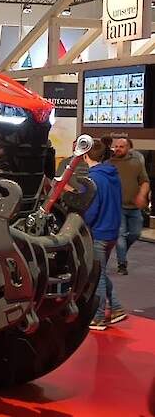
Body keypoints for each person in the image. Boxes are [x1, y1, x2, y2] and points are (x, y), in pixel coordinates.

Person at [82, 140, 127, 331]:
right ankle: (116, 308)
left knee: (97, 276)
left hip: (98, 232)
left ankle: (98, 317)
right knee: (100, 272)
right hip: (112, 231)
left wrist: (82, 223)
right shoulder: (113, 175)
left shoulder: (92, 179)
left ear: (85, 155)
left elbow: (91, 209)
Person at [110, 137, 150, 275]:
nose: (118, 149)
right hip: (117, 206)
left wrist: (142, 195)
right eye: (116, 146)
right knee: (120, 236)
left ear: (128, 148)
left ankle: (121, 252)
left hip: (134, 207)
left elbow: (145, 182)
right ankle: (122, 264)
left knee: (135, 233)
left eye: (121, 146)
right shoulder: (109, 164)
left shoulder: (136, 163)